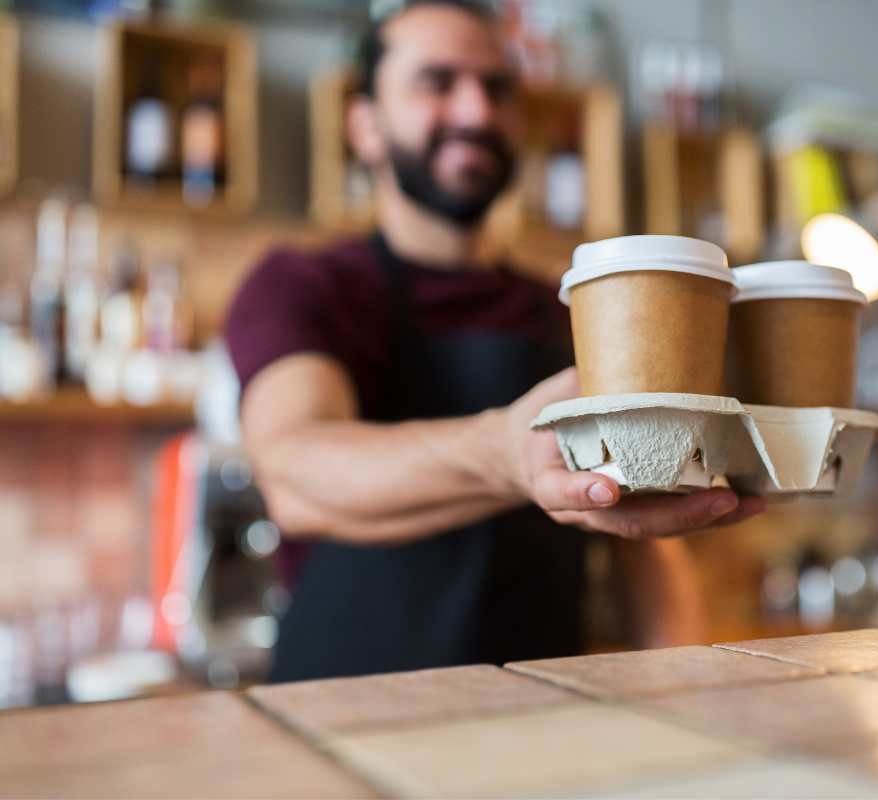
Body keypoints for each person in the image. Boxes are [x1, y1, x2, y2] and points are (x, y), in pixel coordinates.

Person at [224, 0, 765, 683]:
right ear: (363, 125)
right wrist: (508, 452)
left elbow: (642, 547)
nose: (476, 111)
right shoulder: (305, 286)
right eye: (437, 83)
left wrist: (692, 699)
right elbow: (296, 472)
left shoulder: (569, 308)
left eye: (497, 86)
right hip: (345, 726)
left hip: (540, 734)